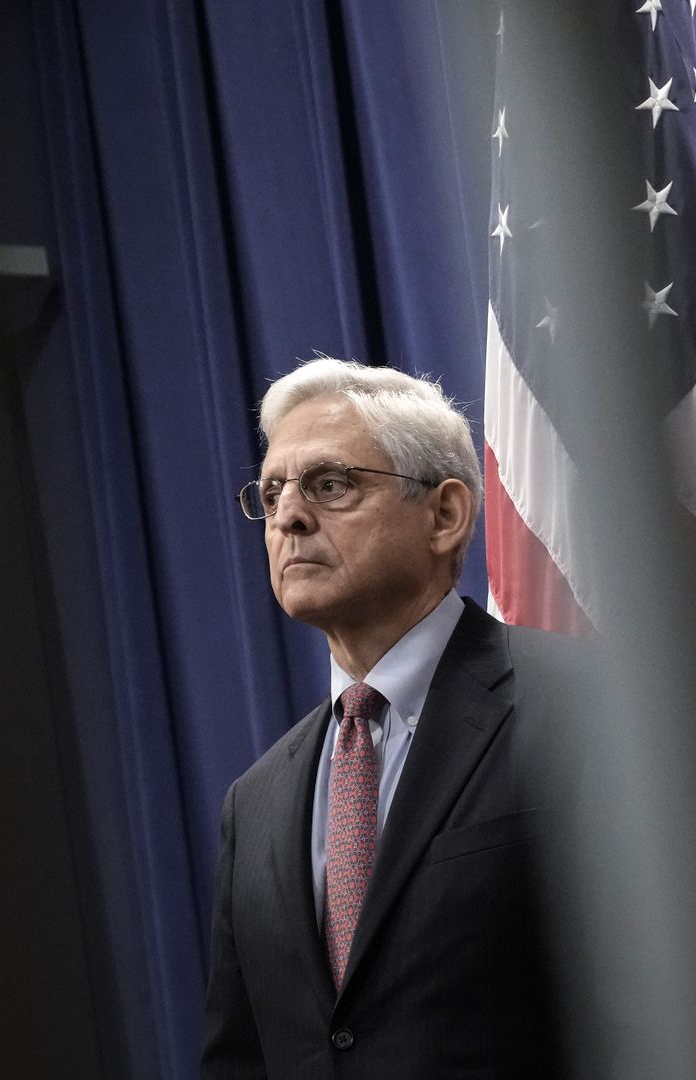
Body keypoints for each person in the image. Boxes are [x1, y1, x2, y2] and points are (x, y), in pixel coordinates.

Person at [202, 357, 571, 1078]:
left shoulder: (580, 710)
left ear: (445, 515)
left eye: (330, 484)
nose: (289, 517)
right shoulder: (257, 800)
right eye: (271, 493)